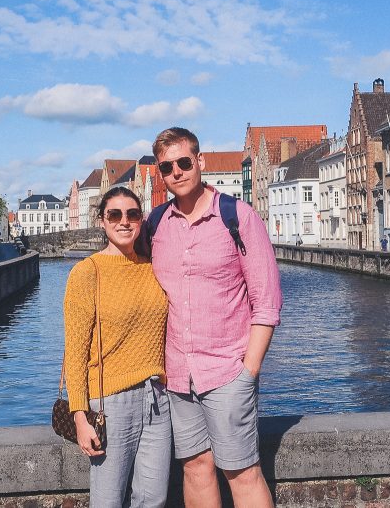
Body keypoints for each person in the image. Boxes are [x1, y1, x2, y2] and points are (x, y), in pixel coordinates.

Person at [149, 127, 282, 508]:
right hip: (177, 374)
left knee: (241, 472)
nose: (176, 172)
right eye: (167, 167)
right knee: (195, 467)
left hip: (226, 371)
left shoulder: (236, 217)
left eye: (184, 162)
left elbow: (267, 301)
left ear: (200, 161)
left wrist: (248, 371)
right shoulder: (156, 225)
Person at [63, 186, 172, 508]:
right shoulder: (87, 272)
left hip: (157, 398)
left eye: (132, 214)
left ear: (141, 220)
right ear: (102, 221)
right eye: (115, 214)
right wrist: (80, 417)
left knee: (153, 498)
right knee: (108, 500)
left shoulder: (154, 268)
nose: (124, 222)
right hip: (109, 402)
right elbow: (75, 351)